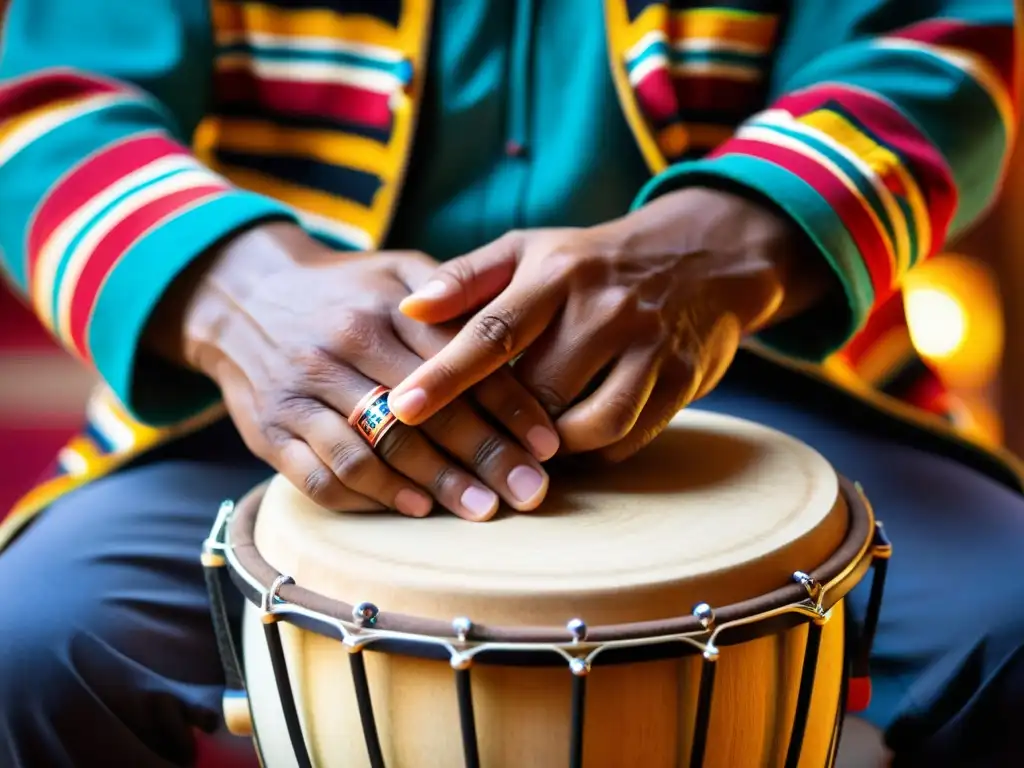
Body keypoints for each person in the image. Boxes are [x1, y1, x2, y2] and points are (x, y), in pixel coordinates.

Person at [0, 0, 1021, 765]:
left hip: (756, 363)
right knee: (29, 644)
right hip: (290, 391)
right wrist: (236, 292)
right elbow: (47, 109)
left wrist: (719, 243)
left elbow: (932, 48)